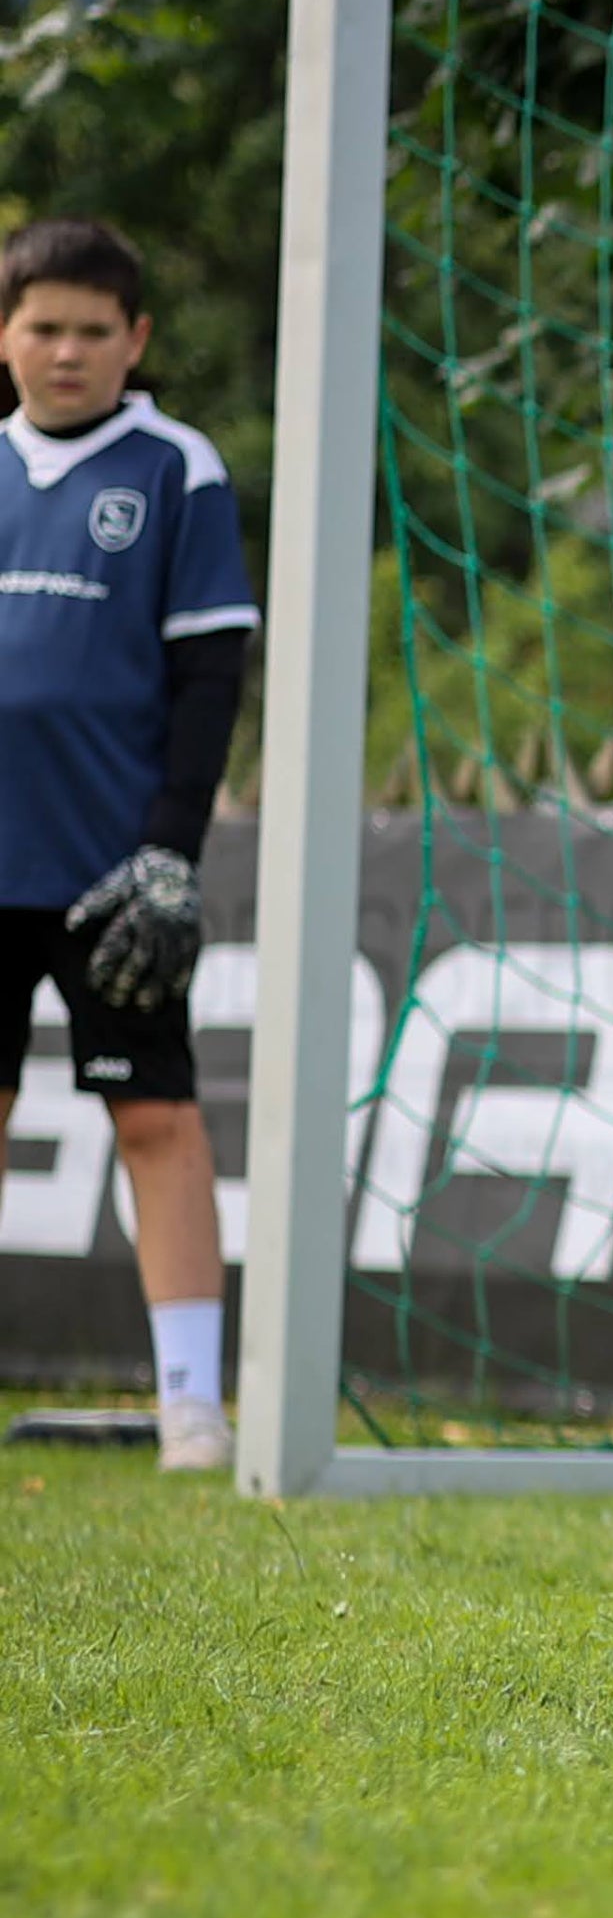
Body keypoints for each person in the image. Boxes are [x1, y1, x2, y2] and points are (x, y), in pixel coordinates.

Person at [0, 218, 259, 1475]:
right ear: (7, 335)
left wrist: (170, 851)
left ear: (135, 339)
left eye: (93, 330)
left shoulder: (175, 468)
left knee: (155, 1120)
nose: (66, 352)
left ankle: (192, 1409)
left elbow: (210, 677)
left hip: (115, 873)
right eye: (44, 326)